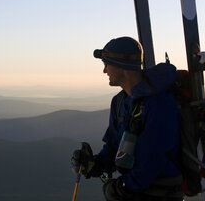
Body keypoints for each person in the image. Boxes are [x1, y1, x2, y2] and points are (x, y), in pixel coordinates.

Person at [71, 36, 184, 201]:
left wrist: (122, 187)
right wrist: (95, 165)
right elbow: (113, 145)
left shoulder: (160, 103)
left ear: (121, 66)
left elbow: (152, 160)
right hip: (136, 190)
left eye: (106, 65)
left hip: (160, 193)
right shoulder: (119, 102)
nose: (104, 71)